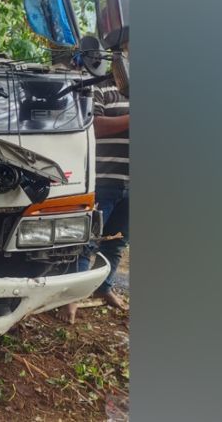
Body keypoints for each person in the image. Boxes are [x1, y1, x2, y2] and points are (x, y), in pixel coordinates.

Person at [62, 54, 130, 323]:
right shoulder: (101, 87)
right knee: (86, 242)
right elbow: (95, 126)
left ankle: (105, 289)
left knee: (117, 242)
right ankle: (73, 298)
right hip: (103, 179)